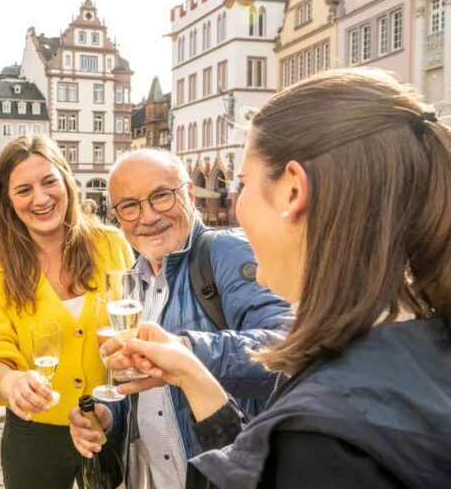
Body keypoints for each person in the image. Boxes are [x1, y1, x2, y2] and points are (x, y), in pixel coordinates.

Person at [109, 69, 451, 487]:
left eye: (243, 183)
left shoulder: (325, 436)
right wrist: (192, 376)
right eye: (129, 206)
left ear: (292, 191)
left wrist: (190, 351)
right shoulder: (411, 349)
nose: (236, 206)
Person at [69, 148, 293, 488]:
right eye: (130, 206)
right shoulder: (134, 281)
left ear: (189, 194)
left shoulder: (225, 252)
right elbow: (138, 383)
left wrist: (187, 352)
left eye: (160, 196)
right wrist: (108, 417)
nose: (147, 217)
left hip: (222, 473)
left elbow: (287, 348)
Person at [0, 134, 135, 488]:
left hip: (108, 422)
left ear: (67, 181)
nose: (40, 198)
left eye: (49, 181)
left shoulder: (111, 244)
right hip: (34, 433)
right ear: (7, 201)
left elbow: (137, 321)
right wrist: (10, 382)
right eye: (23, 190)